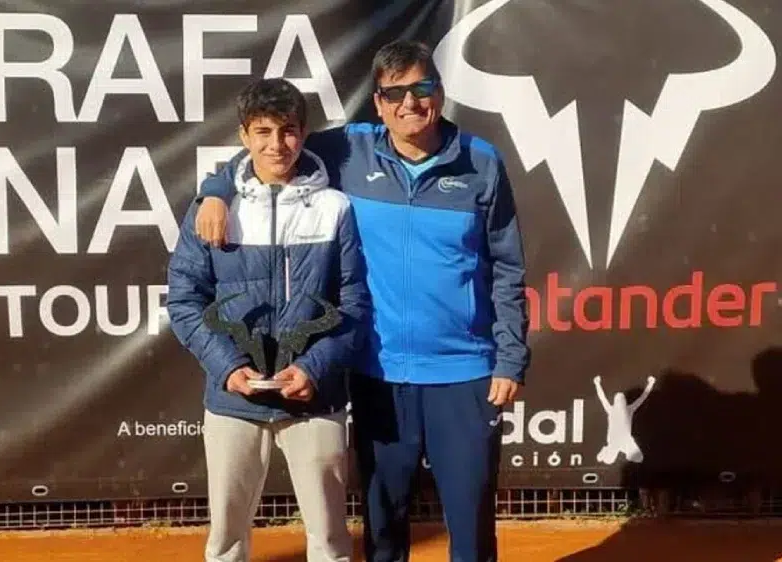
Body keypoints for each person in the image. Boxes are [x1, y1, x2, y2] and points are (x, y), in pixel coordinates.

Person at [193, 40, 530, 562]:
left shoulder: (482, 163)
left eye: (421, 89)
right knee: (384, 532)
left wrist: (509, 357)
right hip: (379, 374)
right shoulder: (351, 149)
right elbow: (270, 147)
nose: (409, 104)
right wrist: (214, 190)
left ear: (439, 93)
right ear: (378, 103)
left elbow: (508, 268)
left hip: (464, 375)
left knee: (471, 532)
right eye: (394, 94)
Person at [167, 77, 370, 562]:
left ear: (303, 133)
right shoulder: (211, 210)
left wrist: (315, 368)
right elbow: (184, 301)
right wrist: (228, 368)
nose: (277, 144)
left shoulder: (335, 208)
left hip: (314, 399)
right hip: (233, 399)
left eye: (288, 130)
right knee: (227, 542)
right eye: (263, 132)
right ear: (244, 136)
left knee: (329, 541)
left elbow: (355, 305)